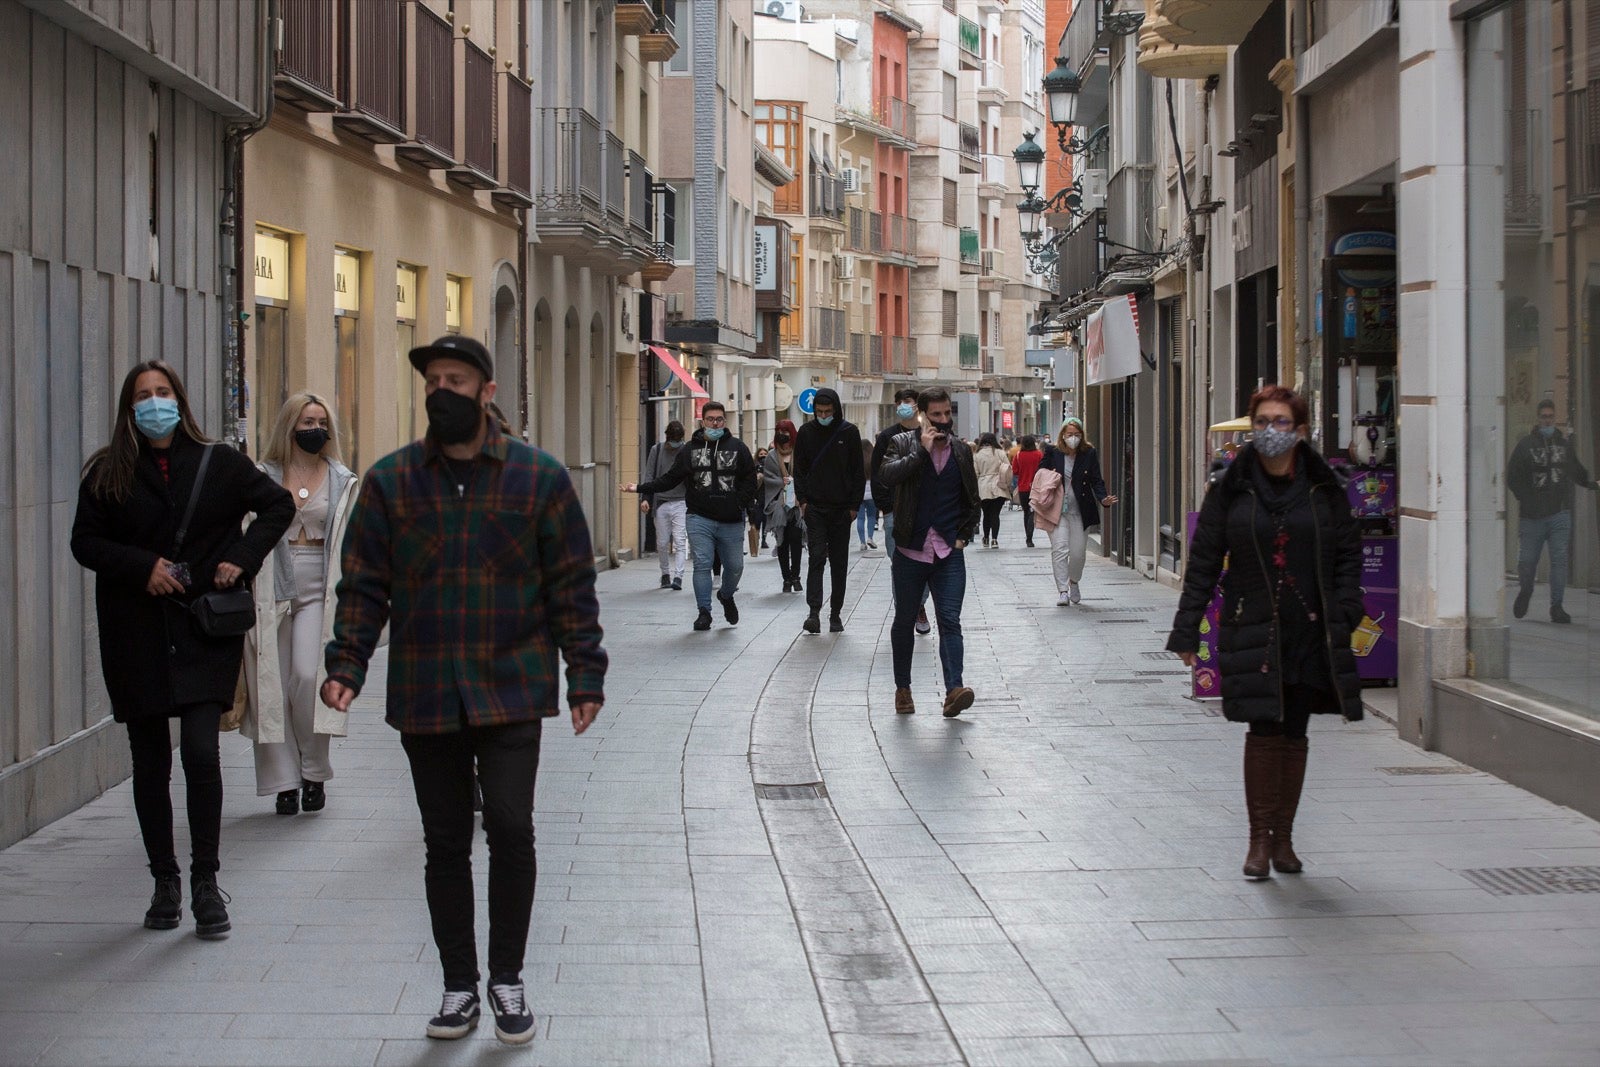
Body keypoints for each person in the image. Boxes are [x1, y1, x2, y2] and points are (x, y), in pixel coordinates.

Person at [321, 335, 606, 1044]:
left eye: (456, 378)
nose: (440, 389)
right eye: (432, 379)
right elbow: (362, 584)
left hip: (511, 684)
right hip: (426, 688)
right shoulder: (391, 483)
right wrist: (346, 665)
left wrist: (585, 672)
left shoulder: (538, 479)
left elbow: (571, 582)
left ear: (486, 390)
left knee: (510, 825)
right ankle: (458, 985)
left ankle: (506, 978)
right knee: (445, 840)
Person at [71, 361, 294, 939]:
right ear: (128, 407)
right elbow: (85, 541)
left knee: (200, 752)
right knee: (150, 762)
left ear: (180, 399)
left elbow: (277, 505)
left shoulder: (218, 462)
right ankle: (163, 881)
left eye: (162, 392)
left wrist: (241, 560)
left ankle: (205, 881)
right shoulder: (108, 473)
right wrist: (141, 566)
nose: (153, 403)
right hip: (136, 633)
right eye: (143, 395)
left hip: (202, 630)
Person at [1166, 385, 1363, 881]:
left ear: (1300, 431)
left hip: (1308, 628)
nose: (1269, 432)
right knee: (1262, 728)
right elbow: (1204, 559)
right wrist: (1187, 630)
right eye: (1262, 422)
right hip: (1251, 623)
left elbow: (1347, 555)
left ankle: (1285, 840)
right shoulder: (1231, 488)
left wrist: (1346, 609)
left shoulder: (1324, 488)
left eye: (1280, 423)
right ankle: (1258, 841)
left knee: (1295, 730)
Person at [241, 394, 359, 816]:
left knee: (308, 677)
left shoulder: (341, 477)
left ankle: (313, 769)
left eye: (321, 421)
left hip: (319, 588)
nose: (315, 428)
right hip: (271, 582)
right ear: (289, 426)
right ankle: (283, 782)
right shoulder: (262, 475)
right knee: (271, 686)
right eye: (307, 420)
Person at [878, 388, 981, 717]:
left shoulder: (962, 452)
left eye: (947, 414)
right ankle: (903, 689)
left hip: (948, 551)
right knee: (905, 619)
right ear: (922, 415)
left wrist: (964, 536)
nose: (943, 421)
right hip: (910, 550)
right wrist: (920, 453)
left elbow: (972, 499)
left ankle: (954, 690)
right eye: (935, 415)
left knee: (950, 620)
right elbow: (886, 476)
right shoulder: (902, 443)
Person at [626, 402, 758, 630]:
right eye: (710, 419)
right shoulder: (690, 450)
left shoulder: (738, 448)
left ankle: (726, 596)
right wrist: (641, 489)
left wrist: (740, 502)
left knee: (735, 566)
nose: (715, 423)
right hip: (699, 517)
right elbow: (670, 478)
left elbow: (750, 479)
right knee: (702, 563)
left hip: (731, 519)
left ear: (724, 422)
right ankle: (704, 612)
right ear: (702, 421)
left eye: (719, 419)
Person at [1506, 398, 1597, 624]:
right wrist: (1525, 498)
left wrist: (1592, 483)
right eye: (1544, 416)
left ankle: (1557, 607)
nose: (1547, 420)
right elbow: (1512, 477)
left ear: (1554, 418)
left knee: (1559, 560)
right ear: (1538, 419)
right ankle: (1525, 591)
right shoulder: (1525, 445)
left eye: (1550, 417)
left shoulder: (1564, 445)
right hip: (1531, 517)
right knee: (1527, 563)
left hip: (1559, 514)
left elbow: (1575, 470)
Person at [794, 388, 865, 634]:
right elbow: (799, 469)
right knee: (816, 558)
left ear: (835, 410)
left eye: (827, 412)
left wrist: (854, 506)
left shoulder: (849, 432)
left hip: (841, 510)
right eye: (819, 412)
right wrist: (803, 501)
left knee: (839, 563)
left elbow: (858, 471)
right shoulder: (805, 433)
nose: (823, 415)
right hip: (815, 508)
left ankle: (835, 613)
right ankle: (814, 612)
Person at [1037, 417, 1118, 606]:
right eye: (1069, 434)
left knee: (1078, 553)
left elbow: (1096, 479)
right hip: (1056, 510)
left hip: (1080, 510)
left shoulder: (1088, 453)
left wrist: (1103, 498)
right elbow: (1040, 473)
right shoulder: (1052, 452)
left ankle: (1074, 582)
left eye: (1076, 434)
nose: (1073, 438)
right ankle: (1063, 591)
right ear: (1062, 435)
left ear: (1082, 436)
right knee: (1059, 549)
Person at [871, 387, 932, 636]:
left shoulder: (928, 435)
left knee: (928, 564)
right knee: (899, 565)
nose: (903, 405)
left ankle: (916, 605)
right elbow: (877, 474)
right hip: (895, 511)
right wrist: (885, 506)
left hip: (925, 511)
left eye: (908, 401)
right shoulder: (887, 437)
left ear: (917, 405)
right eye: (899, 402)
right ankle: (907, 612)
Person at [641, 421, 689, 591]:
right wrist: (645, 498)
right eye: (673, 438)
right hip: (661, 501)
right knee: (661, 542)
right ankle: (665, 574)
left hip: (681, 501)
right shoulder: (657, 449)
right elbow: (649, 474)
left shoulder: (686, 450)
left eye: (678, 439)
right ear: (667, 436)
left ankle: (679, 576)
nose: (675, 442)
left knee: (680, 540)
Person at [762, 420, 805, 592]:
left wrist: (796, 482)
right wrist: (782, 482)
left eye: (785, 431)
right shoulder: (772, 456)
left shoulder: (799, 453)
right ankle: (786, 578)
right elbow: (768, 477)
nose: (782, 434)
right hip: (779, 505)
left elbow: (805, 473)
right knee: (782, 541)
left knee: (796, 540)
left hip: (796, 504)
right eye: (779, 430)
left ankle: (796, 576)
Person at [973, 433, 1012, 548]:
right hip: (999, 485)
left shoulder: (977, 455)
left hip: (983, 486)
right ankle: (994, 539)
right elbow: (1008, 468)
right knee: (995, 514)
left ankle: (985, 538)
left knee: (986, 514)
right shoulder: (1000, 453)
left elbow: (975, 473)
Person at [1012, 435, 1043, 547]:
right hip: (1036, 487)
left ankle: (1028, 537)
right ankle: (1030, 536)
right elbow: (1043, 468)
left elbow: (1015, 471)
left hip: (1023, 487)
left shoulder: (1019, 455)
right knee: (1032, 511)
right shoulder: (1039, 454)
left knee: (1026, 512)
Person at [857, 438, 880, 552]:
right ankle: (870, 537)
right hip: (872, 492)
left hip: (859, 492)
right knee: (871, 516)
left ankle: (862, 542)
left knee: (860, 518)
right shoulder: (873, 459)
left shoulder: (857, 460)